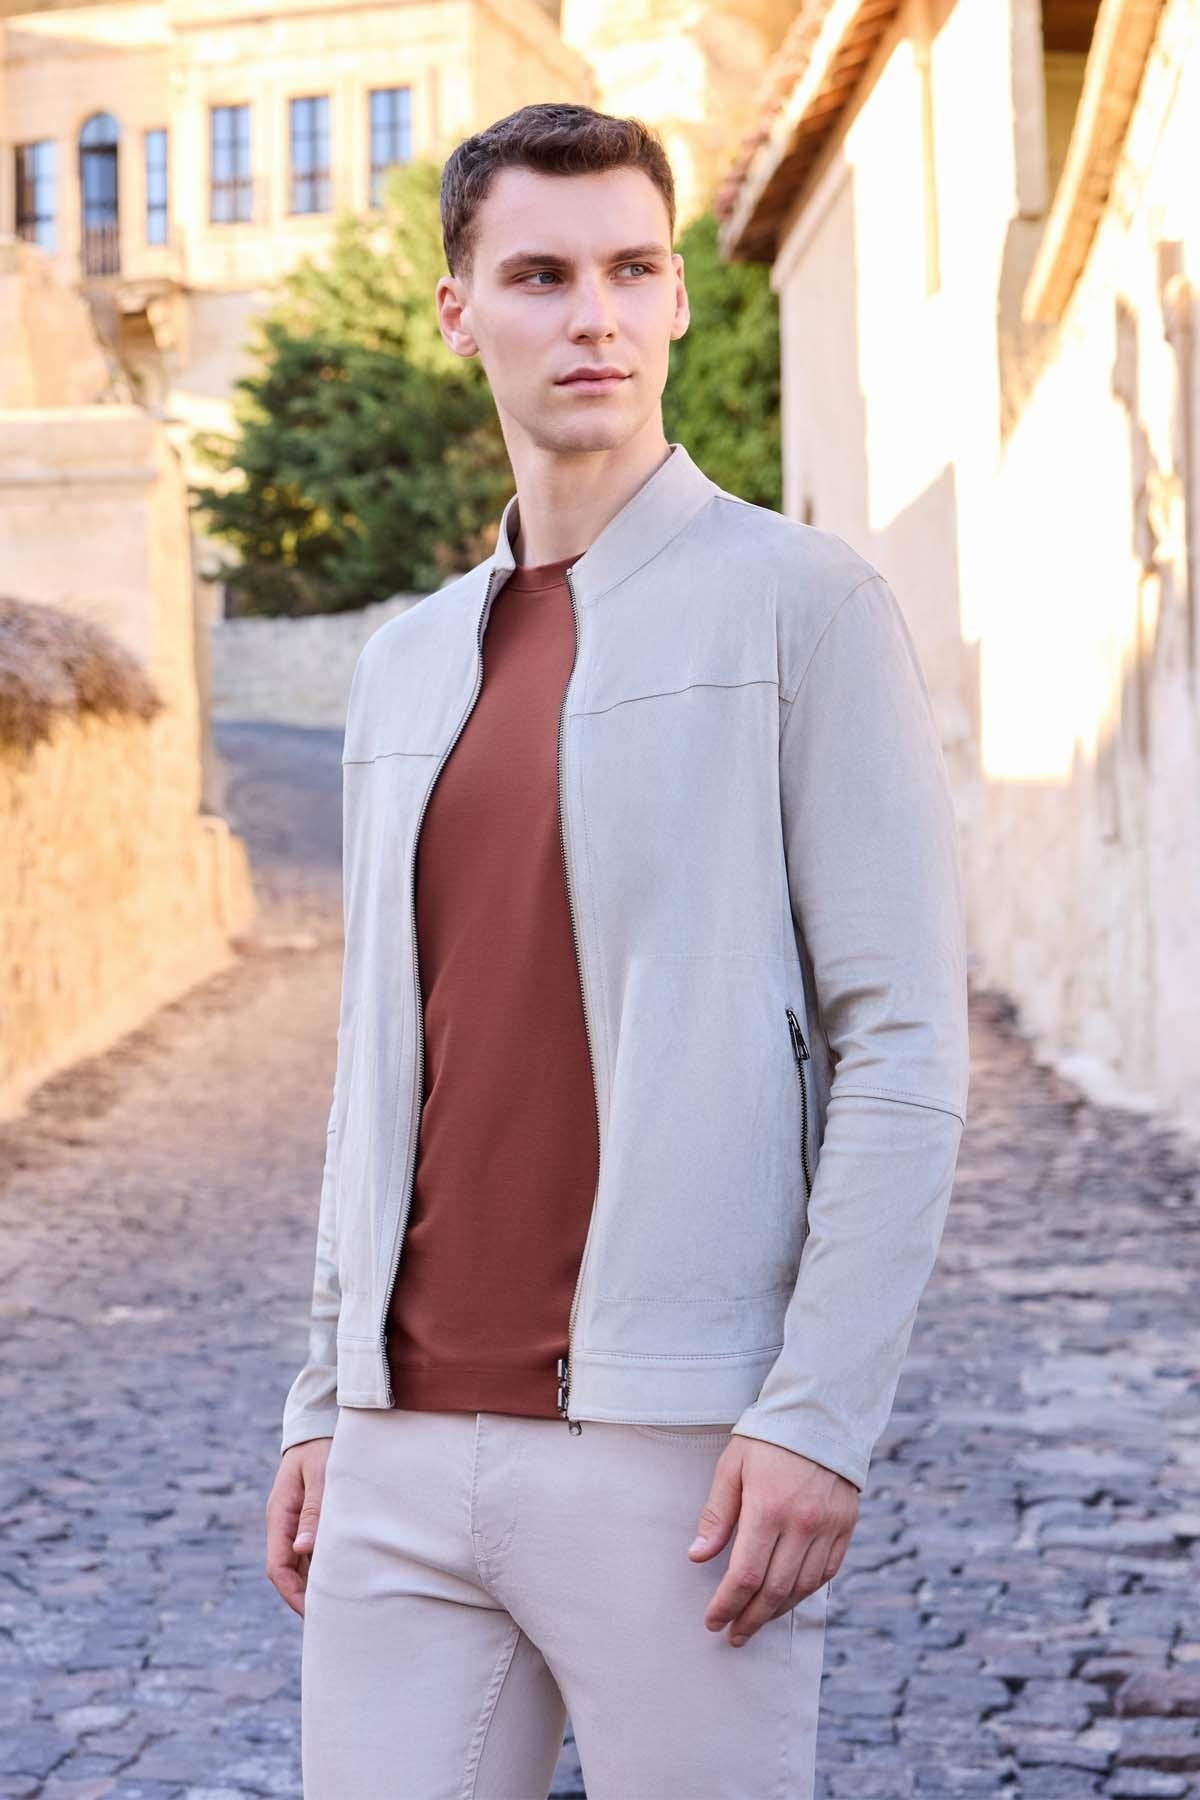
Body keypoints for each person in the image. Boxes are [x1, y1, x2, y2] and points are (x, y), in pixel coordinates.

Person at [264, 100, 969, 1800]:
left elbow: (901, 1043)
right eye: (541, 275)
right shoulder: (404, 664)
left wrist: (816, 1413)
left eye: (632, 270)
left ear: (677, 298)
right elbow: (384, 1057)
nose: (595, 315)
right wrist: (324, 1394)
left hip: (679, 1455)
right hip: (401, 1449)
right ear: (459, 312)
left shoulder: (802, 607)